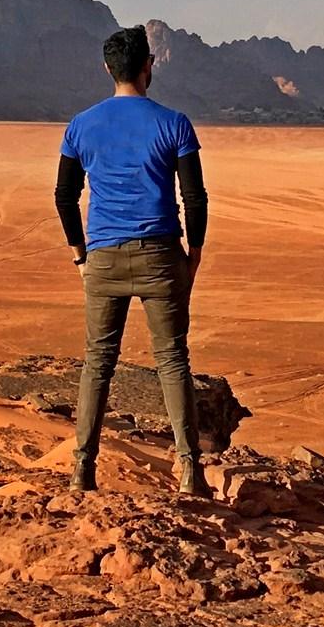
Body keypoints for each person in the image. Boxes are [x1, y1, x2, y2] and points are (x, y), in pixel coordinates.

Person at [54, 25, 211, 497]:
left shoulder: (81, 125)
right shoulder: (174, 123)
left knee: (98, 363)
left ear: (108, 69)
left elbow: (64, 196)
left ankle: (82, 470)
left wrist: (80, 256)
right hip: (161, 255)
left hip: (102, 256)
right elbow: (195, 198)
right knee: (172, 360)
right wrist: (194, 255)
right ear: (149, 66)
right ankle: (189, 472)